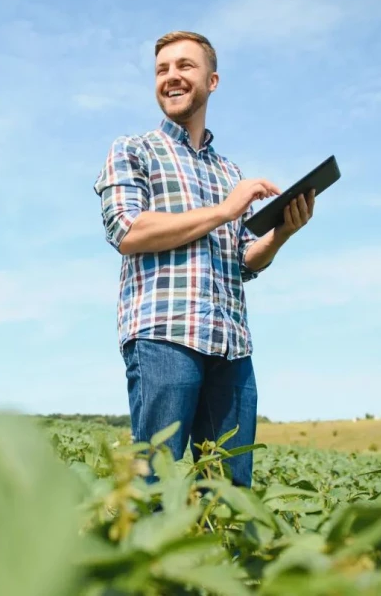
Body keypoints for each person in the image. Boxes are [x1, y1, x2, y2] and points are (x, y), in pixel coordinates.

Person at [92, 31, 316, 488]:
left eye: (184, 67)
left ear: (212, 81)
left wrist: (282, 233)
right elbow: (127, 230)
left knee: (231, 494)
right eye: (162, 69)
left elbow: (243, 264)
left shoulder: (229, 172)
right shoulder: (133, 150)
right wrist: (223, 211)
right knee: (156, 487)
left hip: (231, 345)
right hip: (163, 338)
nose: (171, 77)